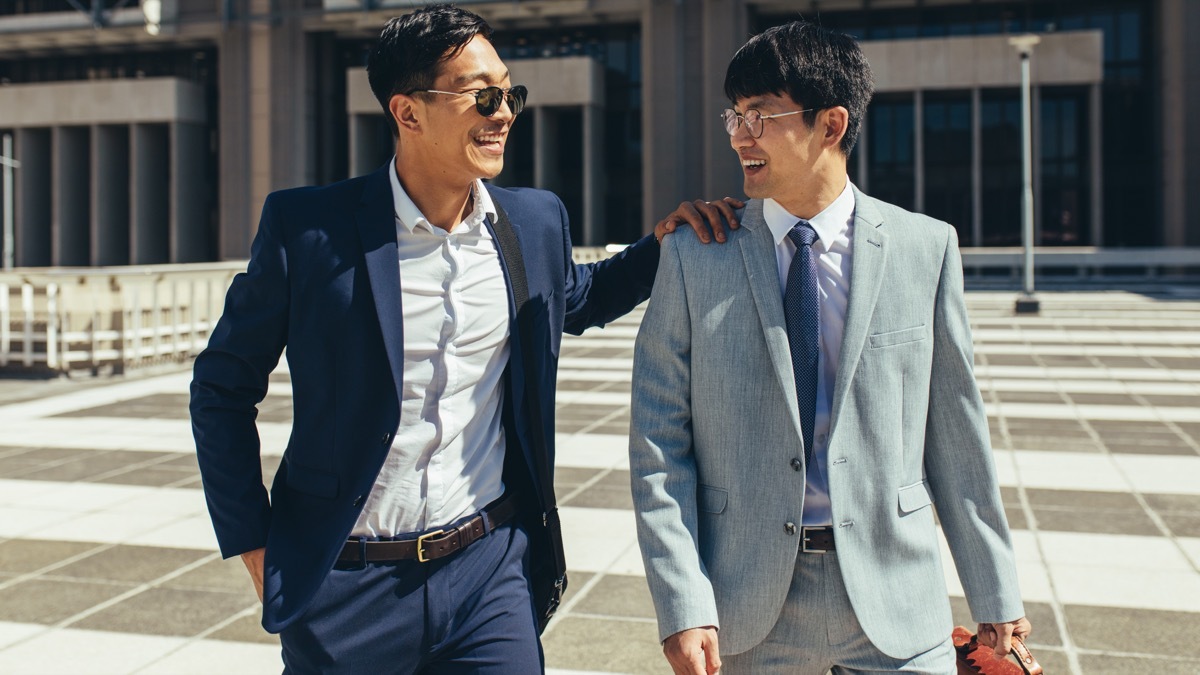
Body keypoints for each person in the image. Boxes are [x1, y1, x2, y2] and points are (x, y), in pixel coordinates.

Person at [190, 5, 734, 672]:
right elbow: (221, 386)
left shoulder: (533, 220)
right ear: (408, 112)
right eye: (481, 95)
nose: (502, 111)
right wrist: (253, 539)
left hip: (488, 571)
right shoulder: (308, 231)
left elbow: (575, 296)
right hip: (348, 590)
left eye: (509, 93)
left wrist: (663, 244)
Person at [629, 20, 1031, 675]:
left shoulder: (924, 248)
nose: (738, 134)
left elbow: (956, 432)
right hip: (745, 606)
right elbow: (657, 442)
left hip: (898, 598)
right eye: (735, 114)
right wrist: (682, 600)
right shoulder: (694, 256)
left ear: (832, 124)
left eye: (761, 115)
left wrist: (994, 588)